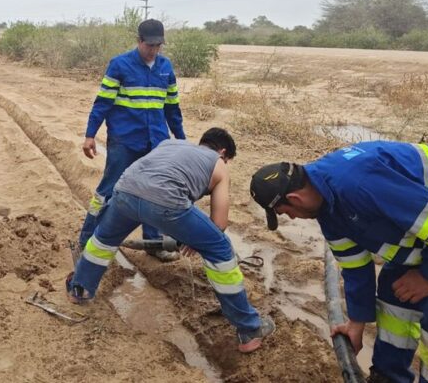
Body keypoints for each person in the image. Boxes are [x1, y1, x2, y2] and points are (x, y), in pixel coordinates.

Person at [250, 141, 428, 382]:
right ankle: (387, 376)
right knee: (393, 294)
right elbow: (355, 268)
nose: (291, 217)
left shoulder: (360, 185)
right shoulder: (327, 209)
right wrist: (357, 322)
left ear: (295, 199)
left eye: (285, 212)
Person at [68, 128, 276, 353]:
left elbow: (152, 178)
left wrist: (191, 234)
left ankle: (79, 290)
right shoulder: (219, 163)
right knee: (221, 249)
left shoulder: (171, 144)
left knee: (103, 241)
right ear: (223, 152)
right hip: (165, 201)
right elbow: (219, 224)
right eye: (227, 160)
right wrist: (197, 239)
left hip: (124, 192)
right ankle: (249, 328)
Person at [78, 19, 186, 262]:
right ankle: (86, 240)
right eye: (150, 45)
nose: (154, 50)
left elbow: (172, 109)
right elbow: (102, 103)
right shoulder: (119, 65)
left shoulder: (165, 67)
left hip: (156, 143)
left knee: (154, 193)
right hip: (124, 143)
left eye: (158, 46)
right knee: (107, 192)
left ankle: (153, 243)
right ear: (139, 41)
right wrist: (90, 135)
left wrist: (181, 141)